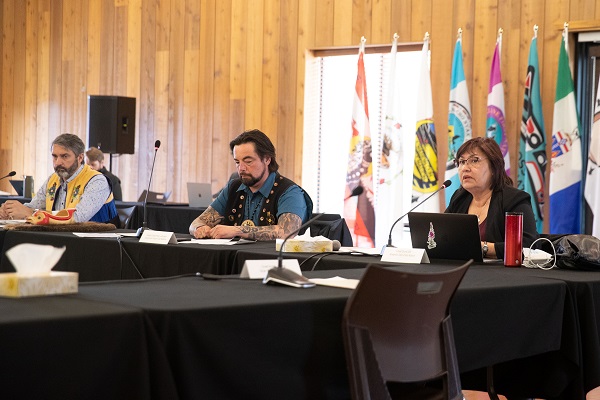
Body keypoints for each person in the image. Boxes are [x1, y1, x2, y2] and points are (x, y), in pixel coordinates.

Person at [189, 129, 313, 240]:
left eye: (248, 161)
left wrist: (237, 231)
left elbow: (286, 232)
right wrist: (199, 229)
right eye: (237, 162)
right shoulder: (233, 187)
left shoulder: (290, 192)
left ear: (267, 159)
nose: (241, 168)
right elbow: (196, 222)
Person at [445, 137, 538, 259]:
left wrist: (484, 248)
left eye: (474, 161)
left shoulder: (514, 200)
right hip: (464, 270)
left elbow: (529, 245)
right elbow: (442, 236)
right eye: (461, 162)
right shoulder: (459, 198)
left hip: (504, 275)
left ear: (494, 167)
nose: (465, 168)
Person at [0, 133, 118, 223]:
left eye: (64, 156)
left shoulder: (97, 181)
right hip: (62, 240)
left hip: (98, 246)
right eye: (54, 156)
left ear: (80, 158)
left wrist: (31, 213)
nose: (58, 162)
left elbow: (78, 217)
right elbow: (32, 207)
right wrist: (10, 211)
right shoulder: (53, 179)